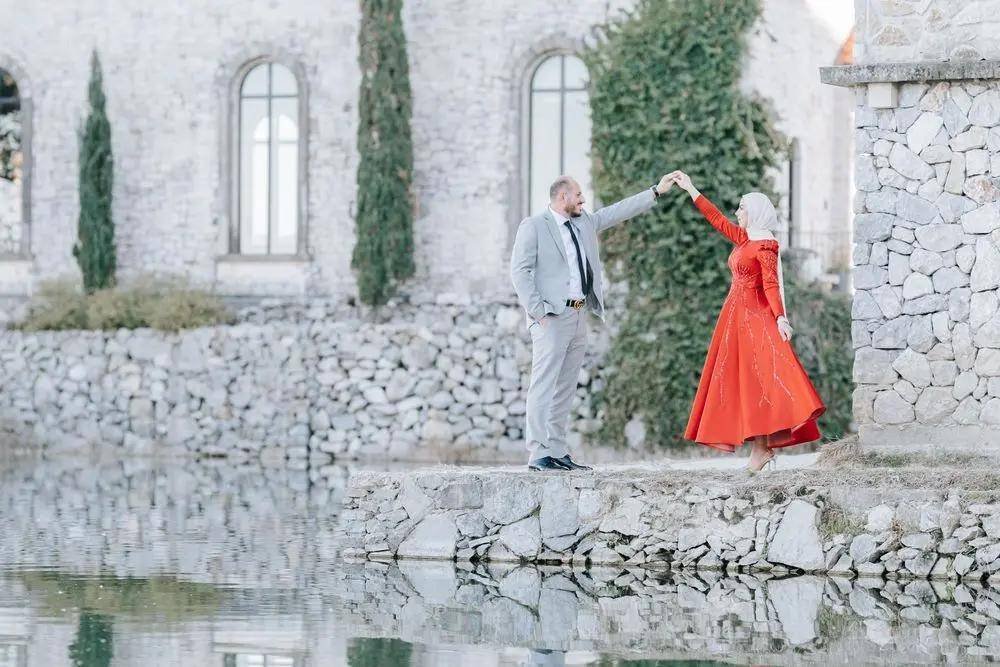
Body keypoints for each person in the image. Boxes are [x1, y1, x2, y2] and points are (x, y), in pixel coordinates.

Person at [510, 174, 674, 471]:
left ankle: (556, 450)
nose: (583, 200)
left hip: (579, 314)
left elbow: (615, 212)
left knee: (565, 387)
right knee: (543, 385)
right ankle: (538, 454)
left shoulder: (584, 222)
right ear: (562, 197)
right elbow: (519, 272)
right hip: (551, 318)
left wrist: (655, 192)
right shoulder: (534, 226)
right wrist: (539, 312)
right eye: (578, 195)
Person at [668, 170, 825, 471]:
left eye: (741, 207)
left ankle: (761, 451)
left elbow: (771, 285)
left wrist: (780, 318)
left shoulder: (764, 246)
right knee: (745, 382)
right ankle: (760, 450)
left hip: (755, 320)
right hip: (736, 319)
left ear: (754, 212)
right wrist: (690, 189)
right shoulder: (745, 239)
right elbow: (716, 219)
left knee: (759, 380)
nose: (737, 212)